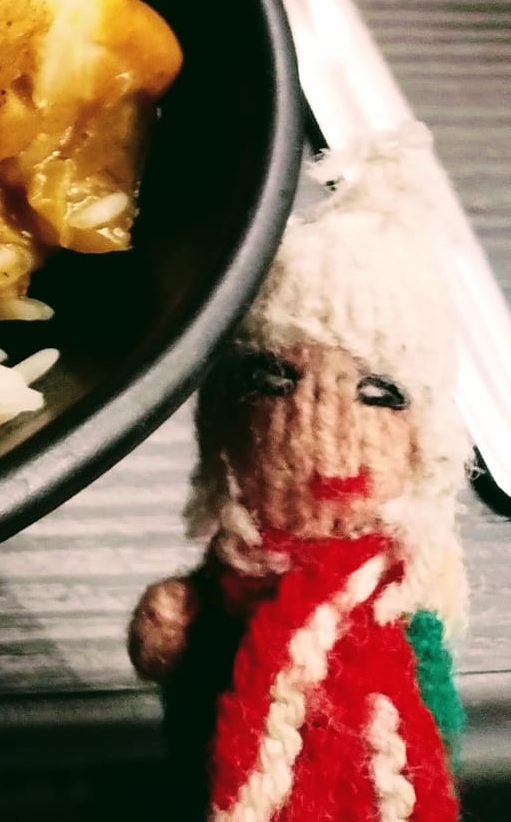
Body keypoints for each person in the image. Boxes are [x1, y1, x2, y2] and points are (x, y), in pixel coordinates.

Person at [128, 130, 466, 822]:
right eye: (275, 384)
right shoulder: (230, 586)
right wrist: (177, 622)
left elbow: (434, 684)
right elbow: (181, 650)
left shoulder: (404, 581)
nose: (326, 441)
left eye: (379, 395)